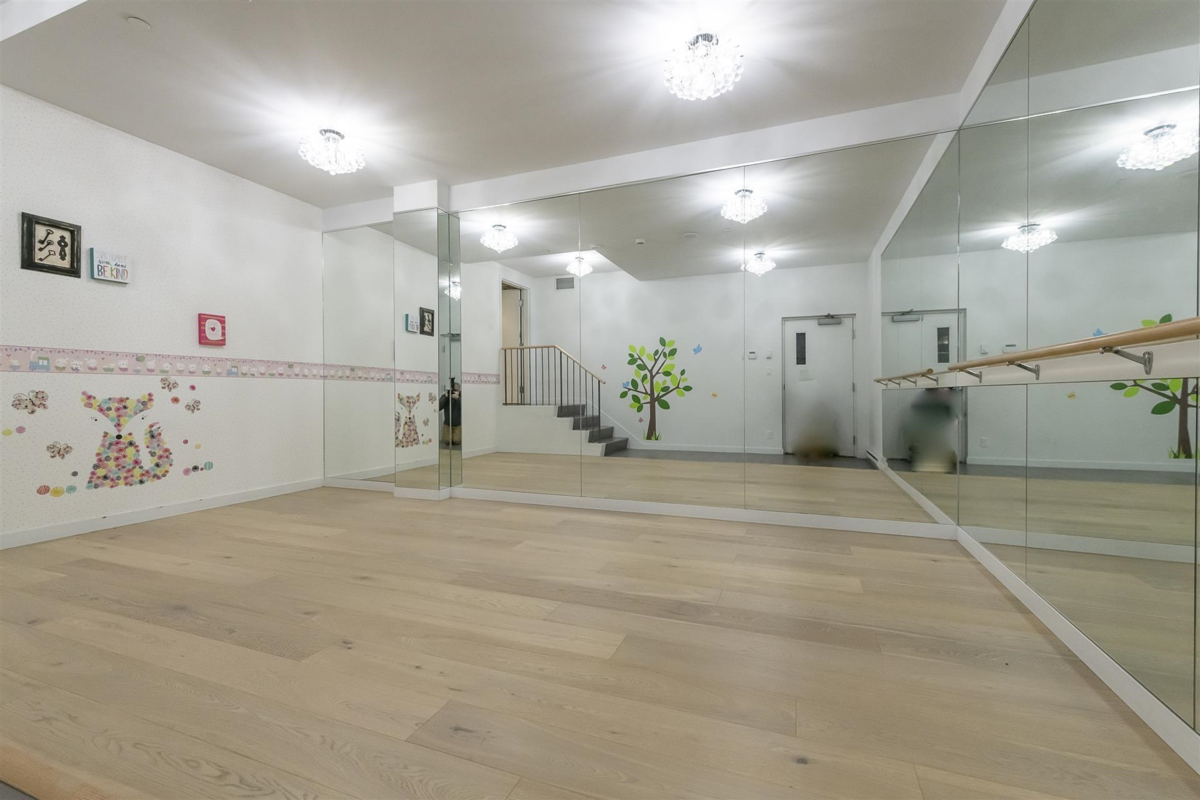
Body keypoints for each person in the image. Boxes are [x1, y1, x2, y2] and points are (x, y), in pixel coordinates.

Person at [439, 379, 462, 446]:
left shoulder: (461, 397)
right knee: (446, 441)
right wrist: (445, 397)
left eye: (456, 391)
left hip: (458, 424)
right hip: (447, 423)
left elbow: (465, 408)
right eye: (453, 390)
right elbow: (439, 407)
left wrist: (458, 398)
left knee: (456, 441)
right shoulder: (446, 396)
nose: (454, 392)